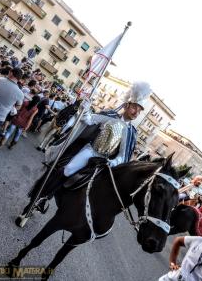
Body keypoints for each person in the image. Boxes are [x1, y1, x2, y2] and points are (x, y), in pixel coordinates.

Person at [33, 81, 152, 212]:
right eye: (135, 107)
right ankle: (44, 197)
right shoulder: (110, 116)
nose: (136, 112)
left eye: (139, 111)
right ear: (127, 105)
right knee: (68, 169)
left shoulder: (131, 132)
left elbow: (123, 156)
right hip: (91, 152)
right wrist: (86, 108)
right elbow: (89, 119)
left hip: (106, 162)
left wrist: (113, 162)